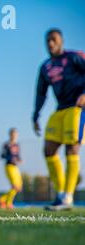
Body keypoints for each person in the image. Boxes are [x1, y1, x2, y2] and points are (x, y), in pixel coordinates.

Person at [32, 28, 85, 211]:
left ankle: (68, 197)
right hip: (60, 110)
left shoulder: (74, 57)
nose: (50, 43)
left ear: (61, 41)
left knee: (72, 149)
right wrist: (36, 114)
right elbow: (41, 93)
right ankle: (61, 193)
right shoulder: (45, 67)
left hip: (77, 108)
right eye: (48, 40)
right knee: (49, 150)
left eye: (54, 39)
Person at [0, 128, 22, 210]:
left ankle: (2, 199)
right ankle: (8, 203)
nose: (14, 135)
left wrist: (19, 159)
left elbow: (17, 155)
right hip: (9, 166)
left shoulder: (17, 145)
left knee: (18, 187)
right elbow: (2, 155)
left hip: (15, 167)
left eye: (16, 134)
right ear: (10, 135)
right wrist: (10, 158)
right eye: (13, 134)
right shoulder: (6, 145)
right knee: (15, 186)